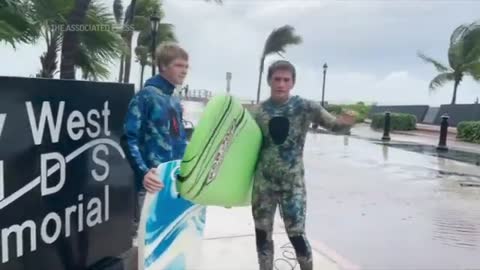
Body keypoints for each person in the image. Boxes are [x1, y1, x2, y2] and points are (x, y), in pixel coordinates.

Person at [249, 60, 355, 270]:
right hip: (264, 184)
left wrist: (346, 123)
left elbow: (334, 126)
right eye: (277, 79)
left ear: (293, 83)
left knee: (296, 235)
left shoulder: (305, 107)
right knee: (262, 234)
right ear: (269, 80)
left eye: (286, 80)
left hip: (292, 184)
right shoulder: (257, 112)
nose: (281, 84)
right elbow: (242, 149)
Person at [123, 42, 189, 239]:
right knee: (149, 242)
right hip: (153, 183)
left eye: (186, 66)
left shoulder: (174, 100)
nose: (184, 71)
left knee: (170, 243)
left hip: (174, 180)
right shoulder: (146, 96)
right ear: (163, 66)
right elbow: (128, 138)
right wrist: (143, 173)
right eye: (179, 65)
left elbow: (180, 140)